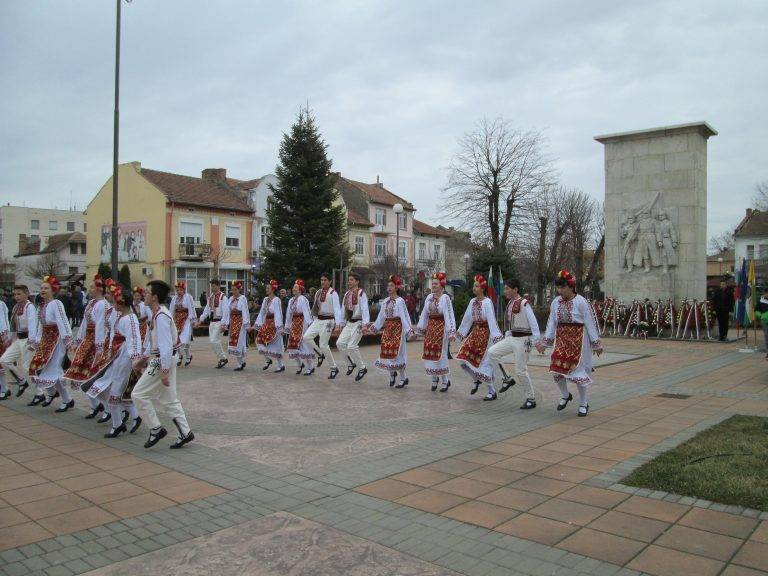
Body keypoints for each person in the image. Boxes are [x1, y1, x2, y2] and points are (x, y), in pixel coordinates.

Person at [131, 280, 194, 449]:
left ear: (155, 297)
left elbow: (165, 346)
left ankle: (155, 428)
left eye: (147, 293)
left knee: (138, 394)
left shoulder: (161, 316)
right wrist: (143, 359)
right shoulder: (158, 313)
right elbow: (154, 342)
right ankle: (185, 432)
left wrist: (164, 371)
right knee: (169, 398)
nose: (144, 295)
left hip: (162, 361)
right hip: (163, 359)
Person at [535, 269, 603, 417]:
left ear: (571, 287)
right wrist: (545, 342)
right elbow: (552, 322)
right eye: (558, 287)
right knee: (556, 368)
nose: (560, 290)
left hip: (579, 340)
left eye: (562, 287)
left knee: (578, 372)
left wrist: (596, 343)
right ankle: (565, 395)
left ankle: (584, 403)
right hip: (561, 339)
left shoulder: (581, 302)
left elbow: (590, 323)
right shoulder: (555, 302)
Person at [87, 286, 143, 438]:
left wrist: (135, 360)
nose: (112, 302)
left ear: (122, 303)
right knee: (101, 387)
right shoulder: (118, 316)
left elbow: (134, 339)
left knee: (115, 391)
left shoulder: (130, 319)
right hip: (115, 356)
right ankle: (132, 417)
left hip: (124, 358)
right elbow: (112, 336)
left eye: (115, 300)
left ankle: (117, 425)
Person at [488, 279, 541, 409]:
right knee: (492, 352)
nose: (505, 291)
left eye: (507, 288)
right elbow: (510, 323)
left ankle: (531, 398)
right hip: (512, 338)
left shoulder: (524, 303)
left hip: (524, 340)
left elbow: (533, 323)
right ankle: (507, 378)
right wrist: (507, 335)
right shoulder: (511, 303)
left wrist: (537, 340)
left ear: (515, 289)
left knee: (521, 370)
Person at [64, 275, 108, 419]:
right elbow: (84, 322)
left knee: (95, 375)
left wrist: (100, 347)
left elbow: (101, 325)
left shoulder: (103, 304)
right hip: (88, 340)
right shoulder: (91, 303)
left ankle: (107, 408)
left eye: (91, 287)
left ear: (99, 289)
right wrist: (78, 340)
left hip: (97, 341)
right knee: (82, 373)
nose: (89, 289)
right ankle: (95, 405)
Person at [27, 275, 74, 412]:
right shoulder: (41, 306)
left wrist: (68, 340)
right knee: (36, 367)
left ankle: (66, 399)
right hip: (45, 341)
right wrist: (36, 341)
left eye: (46, 288)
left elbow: (63, 322)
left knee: (54, 370)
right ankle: (59, 395)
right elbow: (40, 326)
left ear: (53, 290)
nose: (43, 290)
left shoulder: (56, 304)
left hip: (56, 341)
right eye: (41, 288)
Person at [456, 274, 504, 401]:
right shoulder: (472, 301)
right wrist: (460, 334)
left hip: (485, 335)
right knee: (463, 358)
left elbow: (492, 320)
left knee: (484, 363)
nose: (474, 288)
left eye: (477, 286)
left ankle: (491, 391)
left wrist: (496, 337)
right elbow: (467, 319)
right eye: (474, 286)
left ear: (482, 288)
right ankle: (476, 379)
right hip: (475, 333)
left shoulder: (487, 302)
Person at [414, 272, 456, 392]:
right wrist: (420, 329)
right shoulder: (429, 297)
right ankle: (434, 378)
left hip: (441, 328)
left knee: (441, 353)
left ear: (442, 285)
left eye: (436, 283)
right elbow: (424, 314)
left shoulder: (445, 298)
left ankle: (445, 380)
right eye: (433, 283)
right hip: (431, 328)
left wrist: (451, 331)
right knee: (430, 352)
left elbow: (449, 314)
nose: (434, 285)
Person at [368, 275, 412, 388]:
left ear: (396, 287)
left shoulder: (400, 301)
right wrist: (374, 327)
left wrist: (408, 330)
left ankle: (403, 378)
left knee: (397, 354)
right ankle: (392, 375)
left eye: (391, 285)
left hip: (397, 328)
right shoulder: (386, 301)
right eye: (388, 286)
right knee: (387, 351)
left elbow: (404, 316)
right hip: (388, 329)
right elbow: (381, 317)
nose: (389, 288)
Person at [303, 273, 342, 379]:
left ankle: (334, 368)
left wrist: (338, 324)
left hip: (329, 321)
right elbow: (315, 307)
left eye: (325, 280)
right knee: (306, 337)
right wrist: (313, 320)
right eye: (321, 280)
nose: (323, 282)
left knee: (323, 345)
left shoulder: (333, 293)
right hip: (318, 320)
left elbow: (337, 309)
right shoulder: (318, 292)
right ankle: (320, 354)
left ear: (329, 282)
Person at [1, 285, 37, 400]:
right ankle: (22, 381)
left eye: (19, 294)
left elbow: (32, 325)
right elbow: (13, 325)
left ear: (26, 294)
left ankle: (39, 393)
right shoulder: (16, 306)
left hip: (27, 339)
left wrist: (31, 342)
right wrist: (9, 339)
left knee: (27, 367)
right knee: (4, 360)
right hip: (18, 339)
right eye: (15, 294)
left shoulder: (29, 306)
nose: (16, 296)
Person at [336, 273, 370, 381]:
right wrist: (340, 324)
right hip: (349, 323)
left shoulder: (361, 293)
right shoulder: (346, 294)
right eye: (349, 280)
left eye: (351, 280)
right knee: (339, 343)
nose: (349, 282)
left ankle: (362, 367)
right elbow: (343, 310)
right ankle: (350, 363)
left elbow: (365, 309)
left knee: (352, 346)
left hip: (359, 322)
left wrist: (365, 324)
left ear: (357, 281)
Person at [253, 279, 285, 372]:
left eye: (268, 288)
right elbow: (262, 313)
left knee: (276, 345)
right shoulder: (265, 299)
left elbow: (279, 313)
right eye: (266, 287)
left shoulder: (276, 300)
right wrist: (257, 325)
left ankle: (280, 365)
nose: (266, 289)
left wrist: (279, 327)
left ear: (273, 289)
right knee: (258, 341)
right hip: (266, 324)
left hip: (274, 324)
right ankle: (268, 359)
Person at [195, 279, 228, 369]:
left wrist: (224, 324)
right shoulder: (211, 297)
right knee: (212, 341)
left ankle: (223, 358)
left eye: (214, 286)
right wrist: (200, 321)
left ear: (218, 286)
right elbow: (206, 310)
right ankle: (221, 358)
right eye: (211, 286)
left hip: (219, 321)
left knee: (214, 340)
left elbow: (226, 312)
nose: (212, 287)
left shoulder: (223, 297)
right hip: (212, 322)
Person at [284, 280, 315, 375]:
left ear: (300, 289)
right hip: (294, 324)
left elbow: (307, 311)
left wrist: (310, 324)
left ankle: (310, 367)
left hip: (302, 323)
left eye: (296, 287)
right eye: (293, 287)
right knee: (292, 345)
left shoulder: (303, 299)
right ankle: (300, 365)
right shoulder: (291, 300)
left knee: (304, 345)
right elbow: (288, 314)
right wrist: (287, 326)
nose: (293, 289)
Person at [221, 280, 250, 371]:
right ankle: (241, 362)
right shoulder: (230, 299)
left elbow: (245, 311)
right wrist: (224, 324)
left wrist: (247, 324)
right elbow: (227, 312)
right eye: (232, 290)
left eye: (235, 290)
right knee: (233, 342)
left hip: (240, 323)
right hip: (233, 323)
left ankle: (240, 363)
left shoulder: (243, 298)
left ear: (239, 290)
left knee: (239, 342)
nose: (233, 291)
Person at [169, 281, 197, 366]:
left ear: (184, 290)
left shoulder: (188, 297)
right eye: (177, 290)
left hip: (186, 320)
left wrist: (193, 320)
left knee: (184, 340)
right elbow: (171, 309)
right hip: (177, 320)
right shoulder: (174, 298)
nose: (179, 292)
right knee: (176, 339)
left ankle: (188, 356)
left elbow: (192, 308)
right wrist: (170, 319)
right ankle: (180, 356)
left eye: (180, 290)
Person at [755, 286, 768, 359]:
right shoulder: (761, 301)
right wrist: (761, 316)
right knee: (767, 336)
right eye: (766, 293)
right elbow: (756, 310)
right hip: (764, 321)